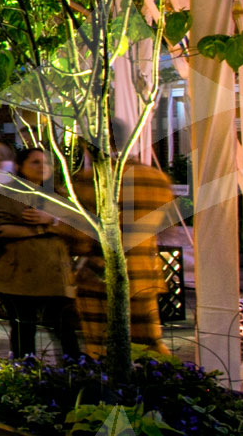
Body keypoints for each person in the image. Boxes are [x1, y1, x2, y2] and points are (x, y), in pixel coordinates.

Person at [63, 139, 175, 360]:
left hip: (100, 278)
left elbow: (81, 237)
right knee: (149, 345)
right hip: (144, 275)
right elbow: (166, 225)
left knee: (103, 348)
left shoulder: (91, 181)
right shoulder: (156, 179)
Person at [0, 149, 81, 360]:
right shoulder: (4, 195)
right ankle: (25, 371)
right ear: (20, 167)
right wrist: (41, 229)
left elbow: (76, 226)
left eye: (46, 163)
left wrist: (51, 220)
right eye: (35, 162)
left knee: (64, 327)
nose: (42, 167)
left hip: (55, 274)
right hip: (18, 273)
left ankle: (75, 372)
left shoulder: (59, 195)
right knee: (23, 327)